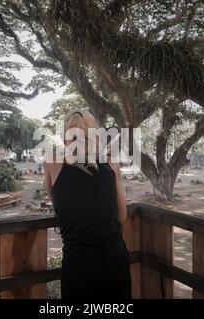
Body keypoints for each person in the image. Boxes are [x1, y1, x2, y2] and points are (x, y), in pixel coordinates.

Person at [43, 110, 131, 299]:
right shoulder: (110, 162)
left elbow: (56, 200)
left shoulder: (52, 161)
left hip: (77, 265)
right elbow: (122, 215)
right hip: (114, 261)